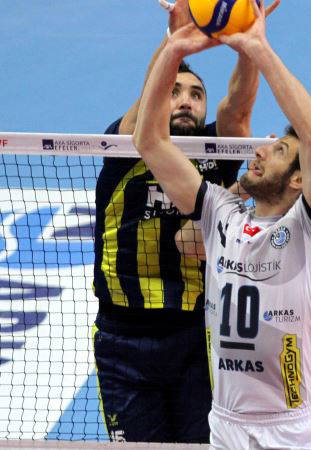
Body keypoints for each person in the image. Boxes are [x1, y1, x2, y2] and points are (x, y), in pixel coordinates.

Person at [134, 1, 311, 447]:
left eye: (279, 151)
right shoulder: (220, 212)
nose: (261, 149)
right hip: (226, 426)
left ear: (300, 179)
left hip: (290, 431)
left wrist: (258, 48)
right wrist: (172, 50)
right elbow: (148, 140)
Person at [92, 0, 278, 442]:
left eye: (196, 95)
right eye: (175, 91)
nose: (186, 101)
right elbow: (147, 107)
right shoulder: (129, 146)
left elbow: (238, 110)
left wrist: (250, 42)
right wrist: (173, 41)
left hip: (196, 334)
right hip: (123, 337)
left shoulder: (215, 152)